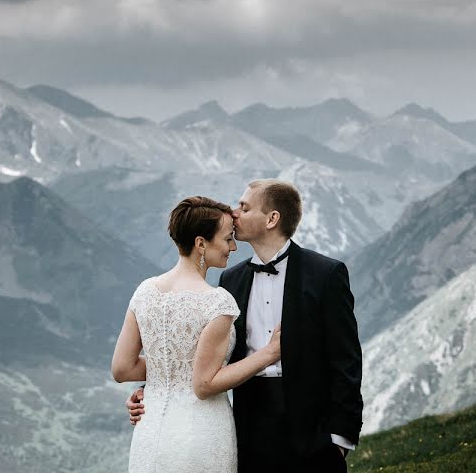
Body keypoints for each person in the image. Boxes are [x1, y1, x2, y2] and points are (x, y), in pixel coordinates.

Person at [127, 180, 364, 473]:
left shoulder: (325, 274)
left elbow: (347, 359)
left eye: (244, 206)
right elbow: (208, 356)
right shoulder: (231, 280)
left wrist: (340, 441)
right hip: (248, 429)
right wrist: (155, 386)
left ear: (272, 219)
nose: (234, 212)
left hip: (311, 431)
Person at [112, 196, 282, 473]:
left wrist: (169, 372)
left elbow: (122, 368)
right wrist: (269, 354)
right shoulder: (216, 302)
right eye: (228, 239)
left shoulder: (145, 291)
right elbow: (204, 385)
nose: (234, 246)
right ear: (201, 243)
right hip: (200, 433)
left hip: (151, 433)